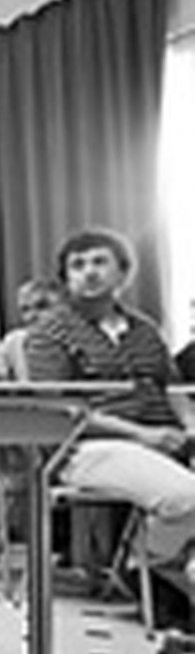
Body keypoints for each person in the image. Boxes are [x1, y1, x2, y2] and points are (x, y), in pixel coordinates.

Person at [24, 228, 195, 597]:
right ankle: (146, 565)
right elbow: (60, 409)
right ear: (66, 279)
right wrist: (143, 436)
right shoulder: (48, 332)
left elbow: (173, 387)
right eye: (78, 265)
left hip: (165, 438)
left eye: (100, 262)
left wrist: (190, 425)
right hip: (87, 447)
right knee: (187, 499)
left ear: (123, 272)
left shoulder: (145, 329)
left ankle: (172, 581)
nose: (89, 272)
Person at [0, 277, 63, 381]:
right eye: (25, 309)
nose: (31, 316)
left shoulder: (78, 341)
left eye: (41, 306)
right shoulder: (15, 342)